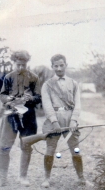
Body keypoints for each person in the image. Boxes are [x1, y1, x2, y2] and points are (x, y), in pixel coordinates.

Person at [0, 50, 41, 187]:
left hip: (28, 116)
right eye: (18, 64)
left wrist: (30, 98)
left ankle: (23, 176)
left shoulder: (34, 77)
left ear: (27, 63)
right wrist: (8, 98)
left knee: (26, 145)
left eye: (23, 65)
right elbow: (2, 95)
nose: (20, 68)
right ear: (14, 63)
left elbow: (38, 97)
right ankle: (2, 178)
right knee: (3, 146)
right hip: (10, 115)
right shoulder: (8, 77)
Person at [41, 54, 86, 188]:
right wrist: (54, 121)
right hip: (54, 119)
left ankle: (81, 178)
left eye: (61, 65)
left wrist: (74, 120)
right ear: (52, 67)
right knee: (50, 149)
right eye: (56, 66)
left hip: (70, 118)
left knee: (76, 149)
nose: (59, 68)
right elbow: (47, 104)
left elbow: (77, 103)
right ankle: (46, 179)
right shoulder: (47, 85)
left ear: (66, 65)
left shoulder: (73, 83)